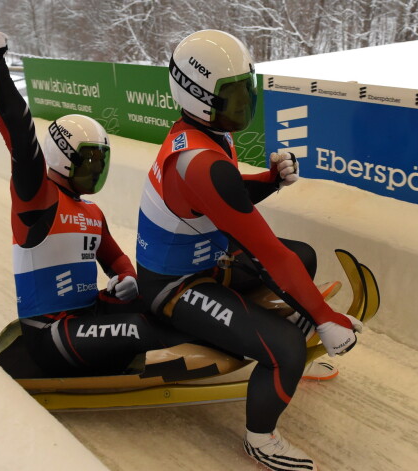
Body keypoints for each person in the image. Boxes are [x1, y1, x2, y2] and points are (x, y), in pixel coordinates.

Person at [136, 30, 362, 470]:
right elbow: (269, 253)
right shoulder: (201, 161)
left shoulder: (200, 133)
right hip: (174, 286)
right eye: (233, 96)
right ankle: (261, 439)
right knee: (286, 349)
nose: (244, 105)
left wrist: (269, 181)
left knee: (306, 257)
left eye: (246, 91)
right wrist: (325, 317)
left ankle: (293, 344)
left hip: (202, 261)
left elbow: (226, 197)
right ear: (200, 97)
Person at [0, 30, 179, 376]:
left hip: (89, 315)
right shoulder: (37, 200)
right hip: (49, 333)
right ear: (61, 157)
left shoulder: (92, 213)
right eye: (90, 163)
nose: (96, 171)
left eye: (100, 163)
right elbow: (21, 139)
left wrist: (127, 278)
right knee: (138, 329)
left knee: (162, 297)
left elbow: (114, 258)